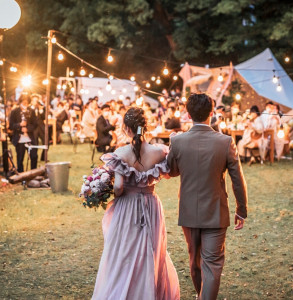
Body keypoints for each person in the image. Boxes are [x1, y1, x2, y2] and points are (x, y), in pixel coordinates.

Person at [92, 107, 180, 300]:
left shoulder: (121, 153)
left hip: (127, 207)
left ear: (126, 128)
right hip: (151, 206)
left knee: (124, 252)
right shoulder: (158, 152)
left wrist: (109, 189)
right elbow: (171, 170)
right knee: (152, 250)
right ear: (145, 127)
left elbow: (118, 187)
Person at [167, 93, 247, 300]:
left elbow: (173, 171)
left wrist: (171, 151)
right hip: (215, 212)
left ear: (188, 113)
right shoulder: (225, 141)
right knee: (211, 264)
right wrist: (241, 210)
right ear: (212, 113)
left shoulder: (177, 141)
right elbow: (237, 179)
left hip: (188, 212)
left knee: (194, 262)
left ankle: (200, 295)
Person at [9, 94, 38, 172]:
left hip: (29, 137)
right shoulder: (14, 111)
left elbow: (35, 124)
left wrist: (27, 129)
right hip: (19, 138)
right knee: (20, 157)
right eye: (24, 103)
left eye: (27, 103)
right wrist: (19, 125)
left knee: (34, 155)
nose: (25, 105)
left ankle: (33, 172)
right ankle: (21, 174)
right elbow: (11, 125)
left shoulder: (31, 111)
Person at [31, 94, 46, 161]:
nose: (35, 102)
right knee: (35, 144)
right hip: (34, 128)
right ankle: (34, 157)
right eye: (34, 101)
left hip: (41, 127)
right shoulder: (30, 109)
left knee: (46, 142)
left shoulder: (41, 108)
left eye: (37, 101)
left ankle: (43, 157)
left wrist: (41, 110)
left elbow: (44, 117)